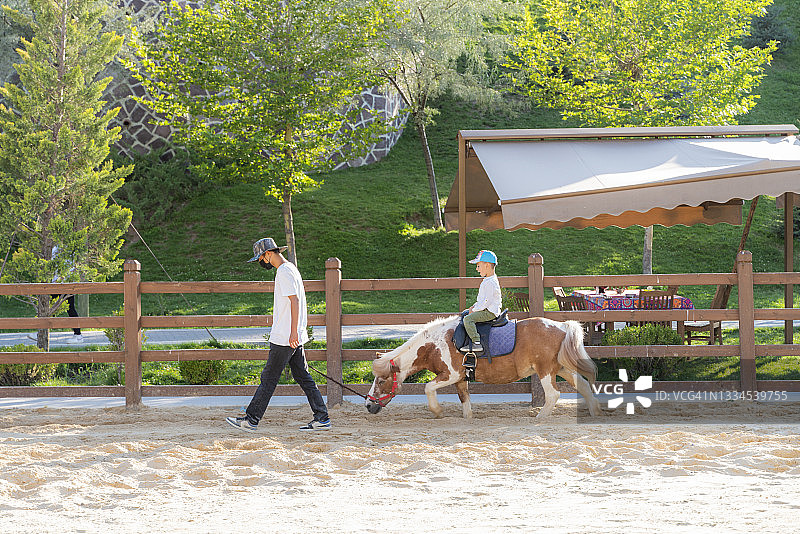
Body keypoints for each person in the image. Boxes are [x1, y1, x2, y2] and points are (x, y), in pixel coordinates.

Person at [226, 238, 331, 432]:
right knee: (303, 376)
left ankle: (251, 420)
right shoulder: (290, 268)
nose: (261, 263)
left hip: (285, 336)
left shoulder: (284, 271)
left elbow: (295, 301)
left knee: (269, 378)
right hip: (292, 334)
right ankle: (322, 417)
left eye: (260, 258)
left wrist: (292, 333)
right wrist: (296, 333)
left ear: (268, 254)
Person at [462, 250, 501, 369]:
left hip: (489, 312)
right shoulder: (488, 280)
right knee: (466, 313)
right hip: (485, 308)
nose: (477, 269)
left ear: (487, 265)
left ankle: (476, 342)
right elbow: (481, 300)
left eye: (478, 266)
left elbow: (486, 302)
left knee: (468, 320)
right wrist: (473, 307)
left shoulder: (490, 282)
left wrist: (474, 310)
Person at [52, 245, 82, 344]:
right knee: (49, 307)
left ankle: (78, 336)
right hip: (55, 283)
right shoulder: (55, 248)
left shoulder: (70, 246)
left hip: (66, 283)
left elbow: (72, 266)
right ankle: (41, 331)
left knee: (69, 308)